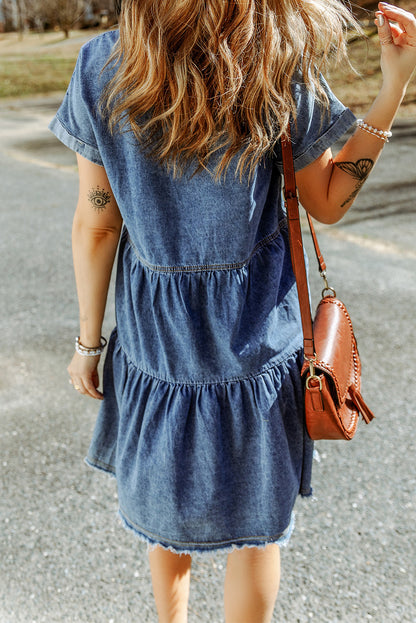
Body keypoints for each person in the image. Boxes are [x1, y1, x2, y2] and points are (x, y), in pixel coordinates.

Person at [49, 2, 416, 621]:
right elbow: (326, 202)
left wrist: (89, 345)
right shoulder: (277, 60)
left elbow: (97, 225)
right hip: (257, 340)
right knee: (256, 528)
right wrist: (394, 84)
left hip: (156, 342)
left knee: (165, 515)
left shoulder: (102, 66)